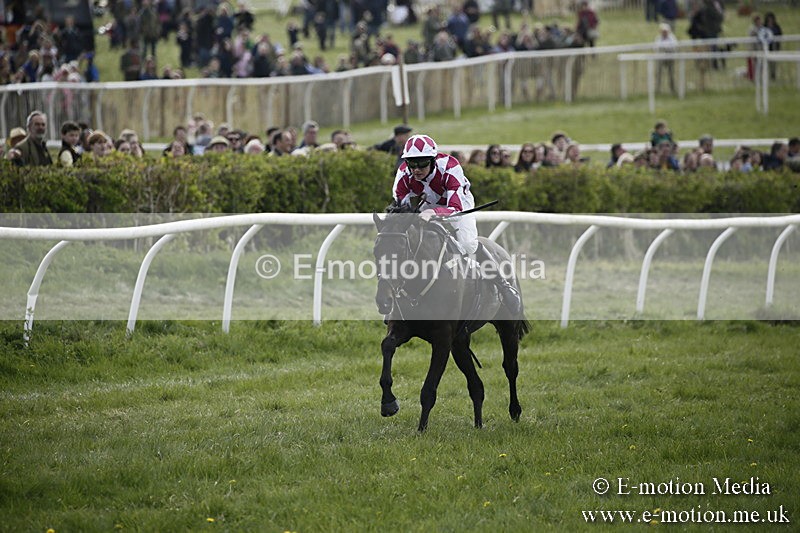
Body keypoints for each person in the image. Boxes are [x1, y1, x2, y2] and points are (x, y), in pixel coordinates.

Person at [392, 134, 522, 314]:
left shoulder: (451, 167)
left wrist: (434, 213)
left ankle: (504, 286)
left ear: (433, 159)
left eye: (422, 163)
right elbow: (403, 206)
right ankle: (395, 299)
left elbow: (455, 208)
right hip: (425, 205)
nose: (416, 169)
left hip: (458, 203)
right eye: (411, 163)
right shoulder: (403, 173)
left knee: (468, 244)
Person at [654, 24, 677, 95]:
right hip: (660, 58)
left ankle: (672, 89)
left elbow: (675, 47)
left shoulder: (672, 38)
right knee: (658, 74)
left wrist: (666, 49)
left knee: (671, 74)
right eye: (663, 31)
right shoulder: (658, 38)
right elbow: (655, 48)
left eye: (665, 31)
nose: (664, 33)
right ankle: (657, 89)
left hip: (670, 58)